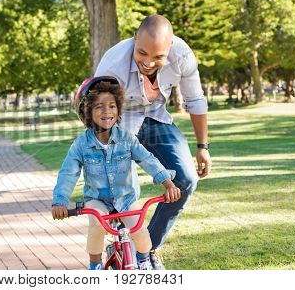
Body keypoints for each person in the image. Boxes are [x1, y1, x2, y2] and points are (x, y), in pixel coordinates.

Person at [94, 14, 212, 269]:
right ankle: (121, 246)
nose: (148, 62)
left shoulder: (182, 56)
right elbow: (100, 114)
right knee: (122, 192)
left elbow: (195, 100)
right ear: (134, 38)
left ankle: (147, 249)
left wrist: (203, 147)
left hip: (156, 117)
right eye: (142, 53)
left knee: (186, 179)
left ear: (170, 48)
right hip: (118, 121)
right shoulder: (113, 64)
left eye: (158, 57)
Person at [51, 76, 180, 270]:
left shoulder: (127, 139)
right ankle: (95, 264)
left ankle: (144, 259)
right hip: (97, 200)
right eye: (99, 107)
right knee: (96, 224)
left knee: (139, 231)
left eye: (112, 106)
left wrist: (167, 183)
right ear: (87, 112)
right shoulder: (81, 145)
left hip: (125, 197)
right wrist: (60, 202)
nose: (107, 112)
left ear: (118, 109)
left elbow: (147, 159)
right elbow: (68, 174)